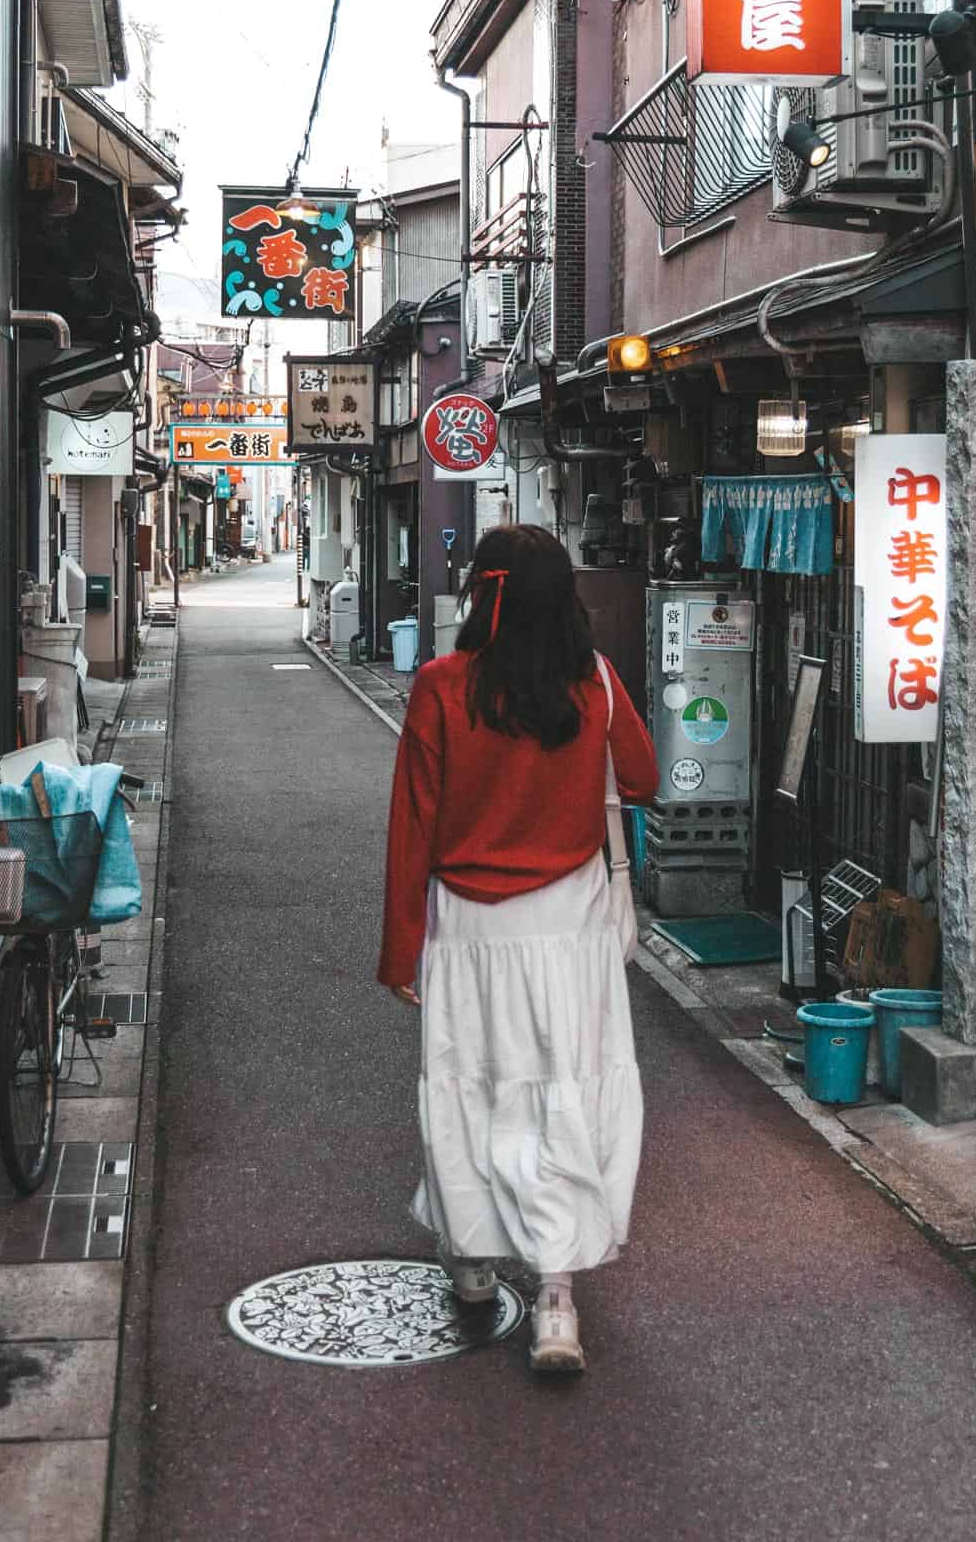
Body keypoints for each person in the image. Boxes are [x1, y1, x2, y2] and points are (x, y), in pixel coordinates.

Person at [379, 523, 659, 1372]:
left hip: (469, 929)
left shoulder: (440, 686)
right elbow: (641, 779)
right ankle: (557, 1301)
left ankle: (471, 1259)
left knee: (474, 1085)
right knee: (562, 1090)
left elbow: (413, 824)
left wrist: (401, 949)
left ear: (486, 595)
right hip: (570, 929)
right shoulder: (595, 685)